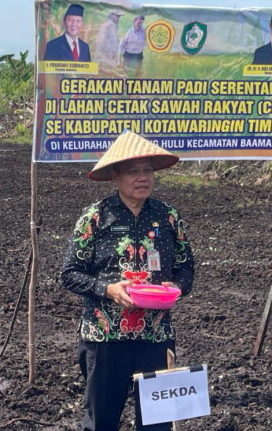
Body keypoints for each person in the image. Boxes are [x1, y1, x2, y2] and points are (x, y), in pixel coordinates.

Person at [61, 131, 194, 431]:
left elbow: (187, 269)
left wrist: (177, 288)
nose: (143, 178)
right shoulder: (95, 217)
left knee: (157, 424)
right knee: (101, 423)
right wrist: (107, 289)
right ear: (115, 176)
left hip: (156, 337)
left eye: (147, 170)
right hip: (105, 338)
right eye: (133, 171)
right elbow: (69, 273)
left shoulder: (168, 217)